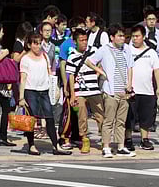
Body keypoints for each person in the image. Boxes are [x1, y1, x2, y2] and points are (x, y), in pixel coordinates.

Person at [18, 33, 70, 156]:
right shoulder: (25, 59)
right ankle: (31, 145)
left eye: (39, 43)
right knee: (31, 119)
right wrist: (21, 97)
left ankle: (55, 145)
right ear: (30, 45)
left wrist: (54, 87)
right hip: (31, 91)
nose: (38, 46)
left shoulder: (45, 56)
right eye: (35, 43)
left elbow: (49, 73)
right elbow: (23, 79)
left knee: (50, 118)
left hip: (44, 90)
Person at [85, 25, 132, 157]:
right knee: (109, 120)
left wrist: (129, 83)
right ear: (112, 37)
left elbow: (130, 67)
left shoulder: (126, 49)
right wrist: (101, 72)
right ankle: (106, 146)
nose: (122, 38)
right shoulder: (105, 49)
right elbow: (89, 61)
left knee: (121, 121)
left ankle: (121, 146)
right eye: (119, 36)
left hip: (124, 90)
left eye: (123, 36)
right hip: (110, 91)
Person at [65, 28, 105, 154]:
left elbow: (101, 63)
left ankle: (105, 139)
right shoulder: (72, 57)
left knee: (100, 115)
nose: (84, 42)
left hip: (94, 89)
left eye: (85, 40)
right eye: (81, 40)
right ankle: (85, 139)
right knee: (82, 116)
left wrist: (97, 75)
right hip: (80, 91)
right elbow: (70, 76)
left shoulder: (93, 51)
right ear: (75, 41)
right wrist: (73, 95)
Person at [125, 24, 159, 150]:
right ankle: (128, 139)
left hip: (147, 90)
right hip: (131, 91)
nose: (135, 39)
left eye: (137, 36)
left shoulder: (151, 52)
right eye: (133, 36)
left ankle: (144, 139)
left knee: (146, 117)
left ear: (143, 37)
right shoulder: (127, 51)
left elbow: (157, 70)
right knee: (129, 117)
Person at [39, 20, 68, 150]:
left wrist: (53, 78)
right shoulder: (37, 44)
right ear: (40, 31)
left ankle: (45, 128)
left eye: (49, 31)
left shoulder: (52, 46)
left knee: (48, 103)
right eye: (45, 31)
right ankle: (40, 127)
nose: (47, 33)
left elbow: (53, 63)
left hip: (49, 77)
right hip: (37, 76)